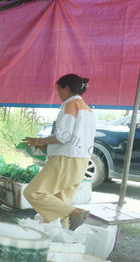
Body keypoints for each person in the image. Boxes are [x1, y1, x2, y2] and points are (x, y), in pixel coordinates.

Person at [22, 74, 96, 230]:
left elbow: (63, 136)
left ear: (67, 88)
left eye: (59, 89)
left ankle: (75, 212)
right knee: (58, 204)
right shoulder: (88, 110)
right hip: (81, 161)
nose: (58, 93)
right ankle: (59, 241)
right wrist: (45, 147)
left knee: (34, 192)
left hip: (66, 159)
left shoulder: (71, 105)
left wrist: (39, 141)